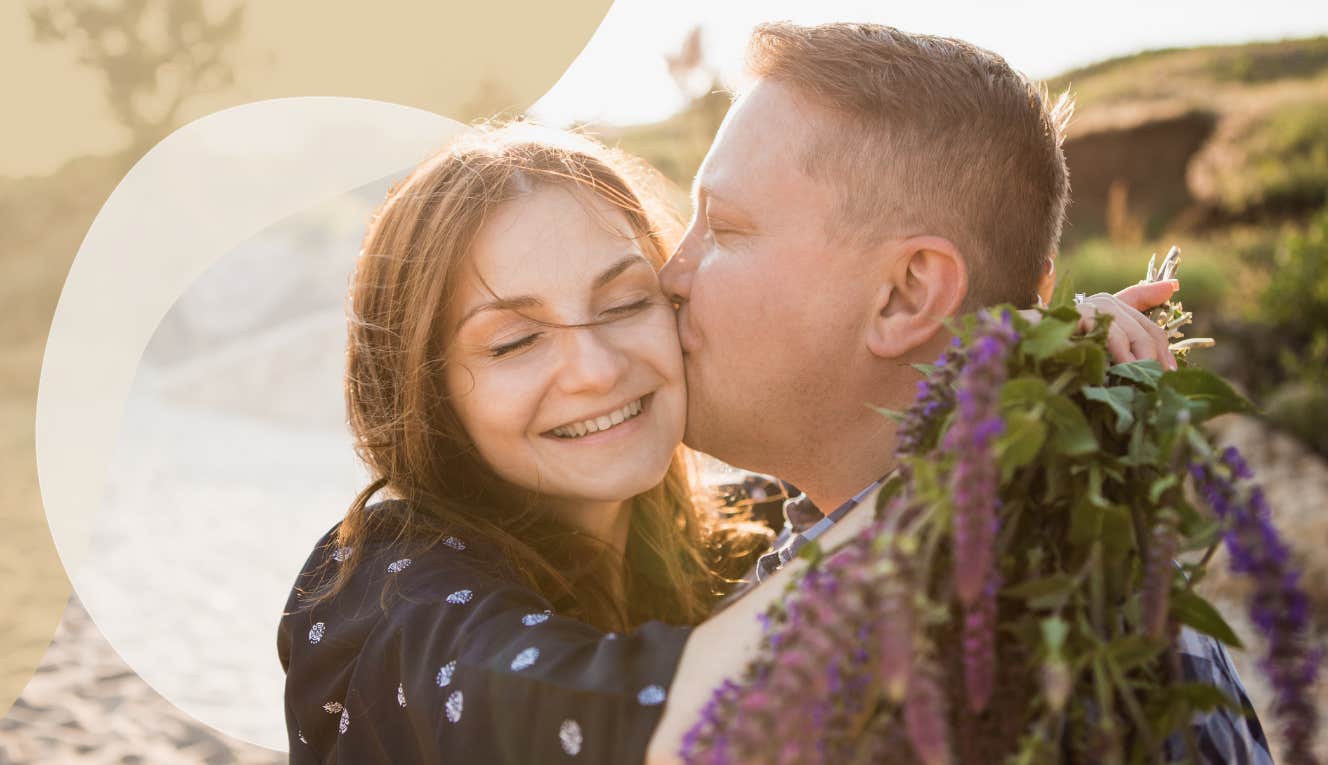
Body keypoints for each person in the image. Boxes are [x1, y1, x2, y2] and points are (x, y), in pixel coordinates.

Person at [274, 118, 1174, 763]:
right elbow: (662, 733)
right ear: (424, 387)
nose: (593, 368)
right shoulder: (383, 595)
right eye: (514, 340)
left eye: (626, 302)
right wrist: (987, 445)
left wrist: (1046, 362)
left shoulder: (742, 529)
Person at [645, 21, 1268, 765]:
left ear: (906, 295)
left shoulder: (1060, 677)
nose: (668, 276)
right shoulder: (790, 544)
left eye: (721, 227)